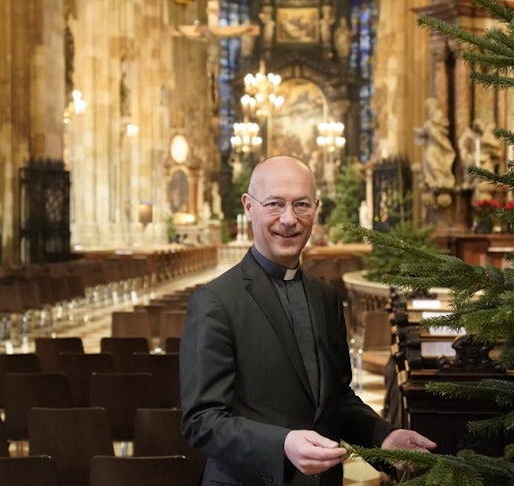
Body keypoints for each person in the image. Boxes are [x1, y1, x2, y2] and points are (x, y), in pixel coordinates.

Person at [181, 155, 436, 485]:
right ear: (248, 206)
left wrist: (383, 439)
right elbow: (201, 421)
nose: (289, 219)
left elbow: (337, 400)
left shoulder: (325, 298)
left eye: (301, 205)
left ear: (315, 208)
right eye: (274, 204)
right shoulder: (215, 301)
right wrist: (282, 444)